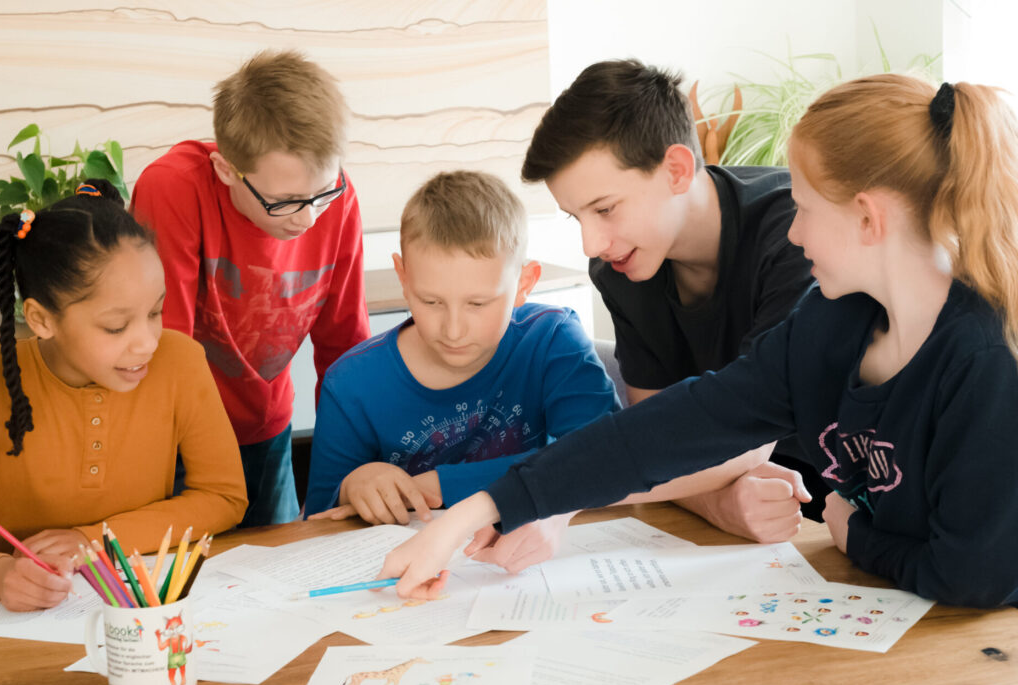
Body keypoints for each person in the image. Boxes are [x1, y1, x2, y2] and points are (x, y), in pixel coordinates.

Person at [378, 74, 1018, 609]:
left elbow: (973, 575)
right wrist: (479, 510)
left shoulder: (984, 358)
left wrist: (856, 536)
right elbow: (663, 430)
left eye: (807, 211)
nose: (796, 235)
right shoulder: (828, 322)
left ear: (868, 219)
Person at [520, 59, 822, 542]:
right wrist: (716, 503)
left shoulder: (799, 233)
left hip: (841, 498)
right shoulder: (621, 266)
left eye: (604, 209)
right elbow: (651, 436)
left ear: (676, 170)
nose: (591, 244)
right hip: (733, 504)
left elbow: (750, 427)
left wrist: (559, 496)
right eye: (576, 218)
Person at [305, 171, 619, 572]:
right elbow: (318, 526)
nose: (453, 330)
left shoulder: (552, 339)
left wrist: (437, 486)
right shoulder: (350, 385)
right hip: (413, 583)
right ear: (403, 277)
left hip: (530, 568)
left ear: (525, 283)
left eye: (478, 304)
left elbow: (601, 458)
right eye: (431, 301)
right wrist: (355, 486)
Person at [130, 50, 369, 526]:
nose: (307, 219)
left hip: (266, 426)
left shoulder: (336, 201)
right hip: (177, 437)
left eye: (321, 193)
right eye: (283, 202)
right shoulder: (173, 188)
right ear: (225, 171)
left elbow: (344, 346)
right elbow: (166, 345)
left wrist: (345, 473)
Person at [0, 180, 248, 611]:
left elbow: (224, 497)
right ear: (40, 319)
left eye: (155, 312)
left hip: (140, 610)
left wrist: (90, 541)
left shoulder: (180, 362)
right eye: (116, 327)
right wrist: (0, 575)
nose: (147, 342)